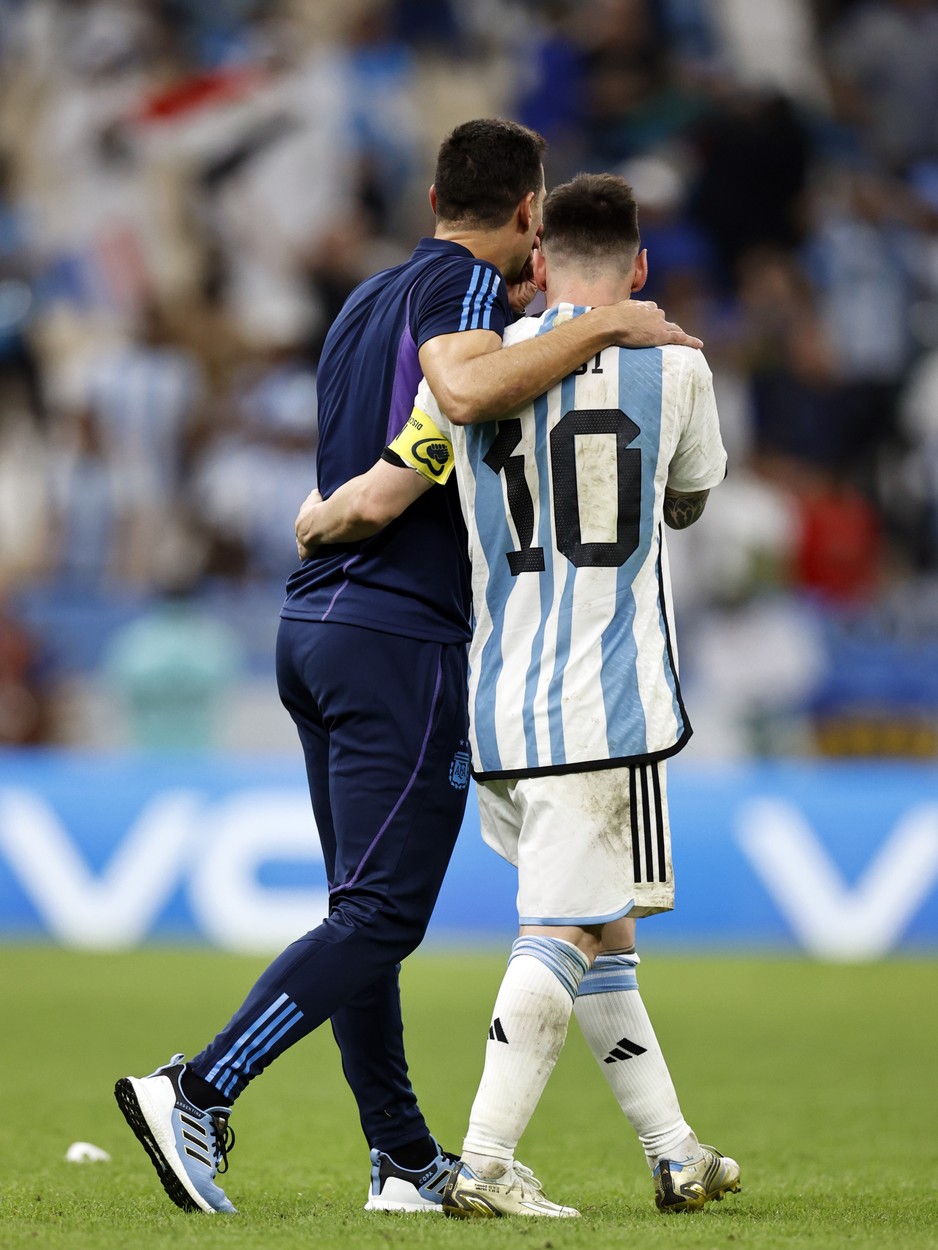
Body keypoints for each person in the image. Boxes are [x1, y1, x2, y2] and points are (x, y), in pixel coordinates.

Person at [114, 121, 703, 1217]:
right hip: (398, 635)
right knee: (382, 915)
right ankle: (193, 1087)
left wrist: (346, 504)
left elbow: (392, 437)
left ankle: (401, 1157)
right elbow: (461, 398)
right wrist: (615, 319)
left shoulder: (359, 302)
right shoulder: (464, 300)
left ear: (432, 192)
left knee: (359, 914)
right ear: (529, 220)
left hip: (314, 627)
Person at [295, 172, 739, 1217]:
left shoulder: (472, 370)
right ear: (636, 268)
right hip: (607, 699)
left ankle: (673, 1148)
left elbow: (380, 494)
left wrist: (312, 522)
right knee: (566, 927)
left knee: (601, 922)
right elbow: (685, 500)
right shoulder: (673, 367)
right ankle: (483, 1158)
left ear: (537, 262)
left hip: (496, 699)